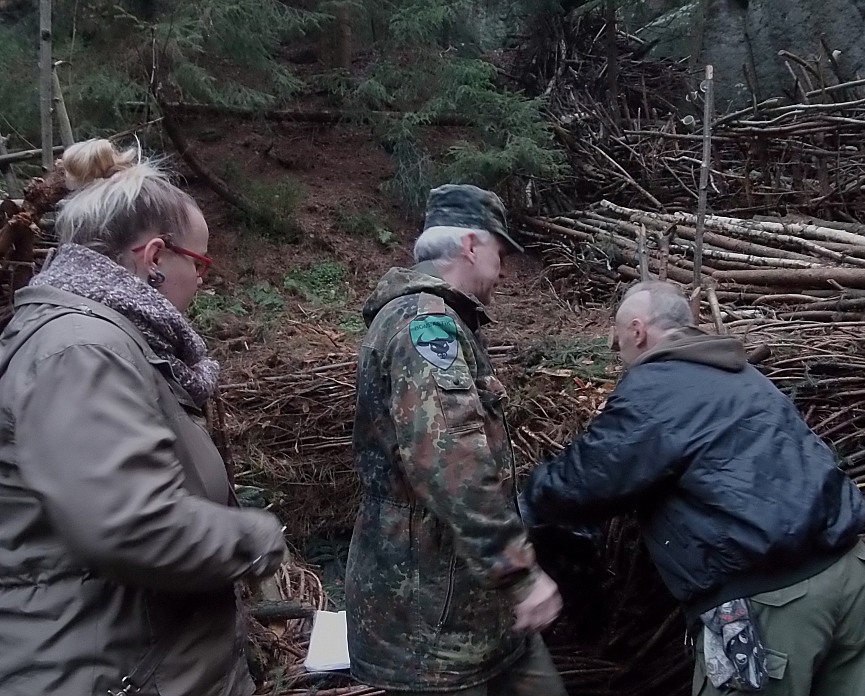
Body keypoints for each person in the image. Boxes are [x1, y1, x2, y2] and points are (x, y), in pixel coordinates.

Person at [522, 281, 865, 696]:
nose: (620, 356)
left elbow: (584, 481)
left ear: (637, 331)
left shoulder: (655, 388)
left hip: (774, 606)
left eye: (618, 343)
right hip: (852, 578)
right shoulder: (742, 373)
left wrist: (521, 502)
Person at [0, 139, 287, 696]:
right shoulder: (81, 349)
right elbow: (128, 522)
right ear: (155, 257)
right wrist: (254, 535)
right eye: (199, 263)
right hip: (109, 672)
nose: (202, 279)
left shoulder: (107, 339)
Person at [346, 184, 567, 696]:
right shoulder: (425, 327)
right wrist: (519, 574)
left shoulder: (443, 321)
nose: (503, 268)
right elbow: (454, 463)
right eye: (499, 252)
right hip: (433, 623)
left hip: (480, 608)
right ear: (470, 245)